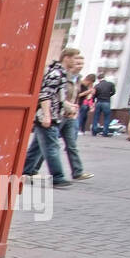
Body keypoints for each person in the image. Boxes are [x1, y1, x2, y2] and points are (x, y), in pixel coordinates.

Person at [23, 48, 77, 187]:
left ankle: (25, 171)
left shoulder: (61, 74)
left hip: (51, 115)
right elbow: (45, 94)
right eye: (75, 58)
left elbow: (56, 97)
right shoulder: (55, 73)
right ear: (66, 57)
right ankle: (58, 177)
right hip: (48, 116)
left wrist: (67, 106)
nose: (76, 62)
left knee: (37, 147)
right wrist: (47, 115)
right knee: (52, 147)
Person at [57, 52, 93, 180]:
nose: (79, 65)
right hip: (58, 114)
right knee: (46, 144)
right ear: (67, 60)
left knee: (71, 144)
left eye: (81, 63)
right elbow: (57, 95)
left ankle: (77, 171)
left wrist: (74, 109)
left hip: (71, 115)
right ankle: (29, 169)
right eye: (77, 62)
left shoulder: (77, 78)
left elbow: (75, 96)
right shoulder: (61, 75)